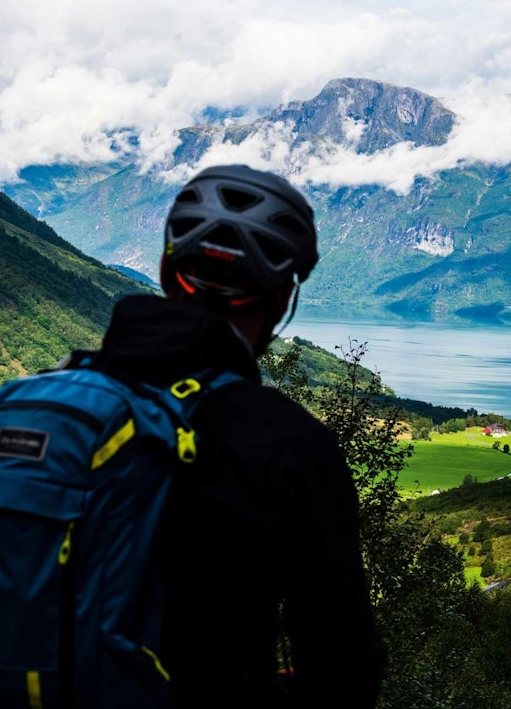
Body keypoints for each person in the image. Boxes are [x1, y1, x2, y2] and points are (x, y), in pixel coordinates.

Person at [91, 165, 387, 707]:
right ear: (282, 299)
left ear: (163, 269)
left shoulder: (54, 401)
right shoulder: (290, 444)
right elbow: (343, 668)